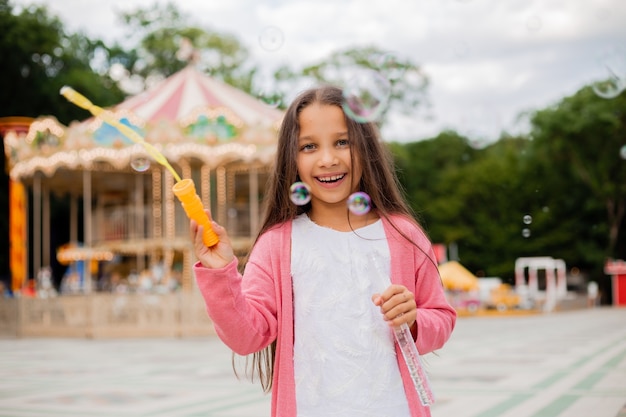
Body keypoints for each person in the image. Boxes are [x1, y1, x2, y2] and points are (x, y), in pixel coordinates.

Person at [190, 85, 457, 417]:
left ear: (367, 149)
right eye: (309, 146)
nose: (328, 159)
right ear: (292, 158)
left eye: (342, 142)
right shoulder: (276, 245)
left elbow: (442, 317)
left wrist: (415, 319)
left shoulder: (403, 235)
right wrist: (221, 273)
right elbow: (246, 336)